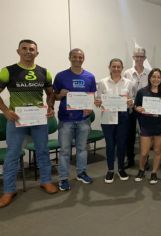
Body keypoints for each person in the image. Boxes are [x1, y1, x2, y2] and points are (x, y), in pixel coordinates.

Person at [0, 39, 58, 207]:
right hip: (16, 120)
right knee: (12, 155)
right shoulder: (7, 71)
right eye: (24, 49)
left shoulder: (44, 72)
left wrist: (51, 106)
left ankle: (46, 181)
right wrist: (5, 110)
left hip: (39, 120)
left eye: (31, 49)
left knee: (43, 151)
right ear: (18, 51)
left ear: (36, 53)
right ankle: (9, 191)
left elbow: (50, 93)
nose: (28, 52)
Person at [53, 48, 96, 191]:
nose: (78, 59)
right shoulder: (61, 76)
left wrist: (90, 108)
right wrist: (61, 95)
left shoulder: (90, 76)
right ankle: (63, 178)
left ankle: (81, 172)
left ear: (84, 58)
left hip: (84, 119)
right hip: (66, 119)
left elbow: (91, 96)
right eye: (75, 57)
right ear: (70, 58)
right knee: (65, 150)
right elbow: (54, 96)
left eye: (80, 57)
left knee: (82, 149)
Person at [95, 58, 134, 183]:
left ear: (122, 68)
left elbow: (132, 100)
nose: (116, 69)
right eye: (114, 66)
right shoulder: (102, 82)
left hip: (123, 117)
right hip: (107, 118)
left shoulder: (129, 83)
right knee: (110, 145)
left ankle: (121, 168)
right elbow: (98, 100)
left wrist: (130, 102)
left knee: (122, 144)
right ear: (109, 67)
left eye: (119, 67)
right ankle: (110, 170)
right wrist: (98, 102)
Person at [134, 68, 161, 184]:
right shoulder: (142, 92)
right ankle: (141, 170)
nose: (156, 79)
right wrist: (138, 108)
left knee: (157, 151)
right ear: (149, 78)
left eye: (158, 77)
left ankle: (154, 172)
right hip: (146, 125)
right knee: (144, 152)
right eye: (153, 76)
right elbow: (136, 106)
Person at [123, 47, 150, 168]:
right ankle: (130, 158)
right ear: (133, 58)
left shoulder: (150, 72)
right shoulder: (127, 73)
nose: (139, 58)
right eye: (136, 56)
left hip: (146, 108)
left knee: (145, 134)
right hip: (131, 108)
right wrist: (132, 103)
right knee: (130, 134)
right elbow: (125, 91)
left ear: (145, 58)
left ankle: (145, 160)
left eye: (141, 56)